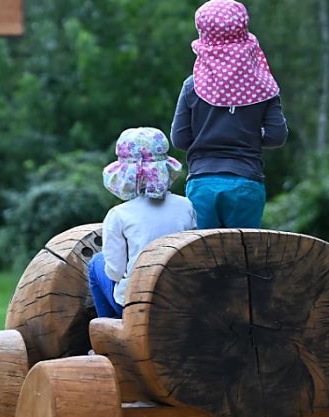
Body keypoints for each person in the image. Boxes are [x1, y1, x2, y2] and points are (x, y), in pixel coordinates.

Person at [171, 0, 288, 229]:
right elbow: (277, 136)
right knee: (241, 259)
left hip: (202, 184)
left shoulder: (191, 86)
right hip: (246, 183)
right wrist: (250, 137)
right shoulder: (263, 86)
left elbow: (180, 139)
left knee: (203, 258)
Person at [87, 127, 196, 319]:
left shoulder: (119, 214)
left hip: (136, 305)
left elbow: (114, 272)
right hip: (181, 298)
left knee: (97, 262)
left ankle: (111, 328)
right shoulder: (186, 206)